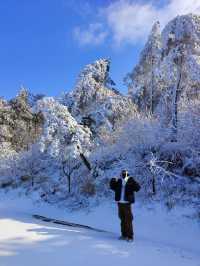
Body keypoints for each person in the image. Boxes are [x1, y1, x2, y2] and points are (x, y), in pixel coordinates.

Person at [110, 170, 141, 242]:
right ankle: (124, 235)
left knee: (128, 220)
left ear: (127, 174)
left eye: (125, 174)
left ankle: (130, 236)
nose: (123, 175)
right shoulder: (119, 181)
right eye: (122, 174)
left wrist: (132, 181)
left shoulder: (130, 181)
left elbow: (138, 188)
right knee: (122, 219)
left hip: (127, 203)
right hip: (120, 203)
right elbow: (113, 187)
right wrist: (112, 180)